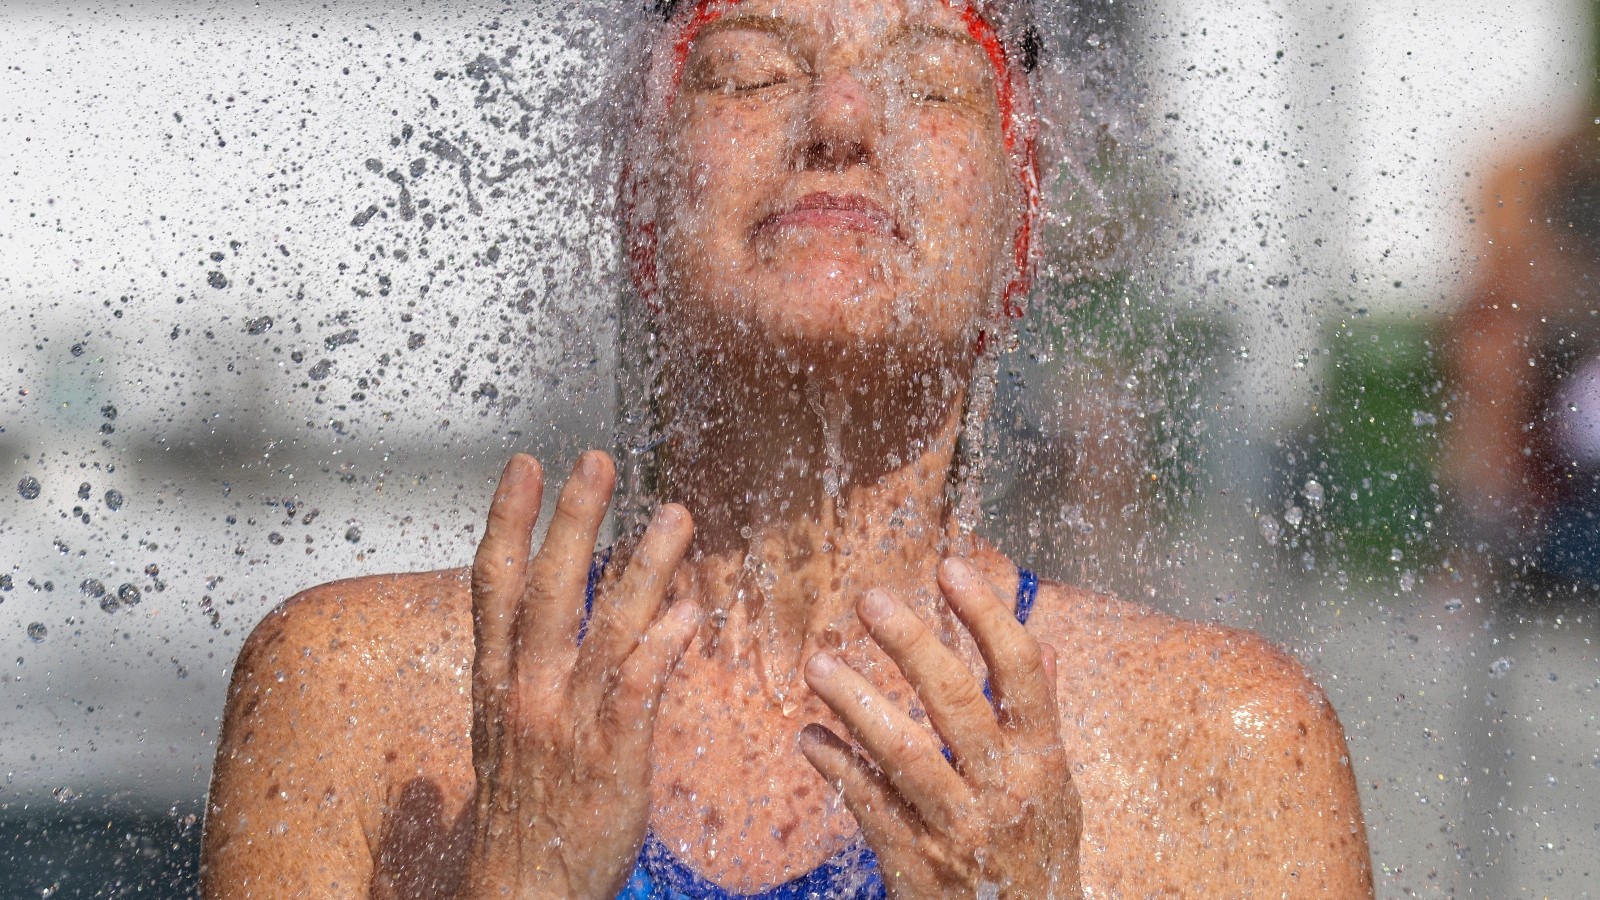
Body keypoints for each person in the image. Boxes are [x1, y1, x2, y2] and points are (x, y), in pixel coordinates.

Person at [200, 0, 1374, 896]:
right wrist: (519, 878)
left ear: (1017, 243)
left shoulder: (1223, 750)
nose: (842, 123)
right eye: (754, 69)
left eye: (933, 84)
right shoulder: (356, 697)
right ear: (642, 218)